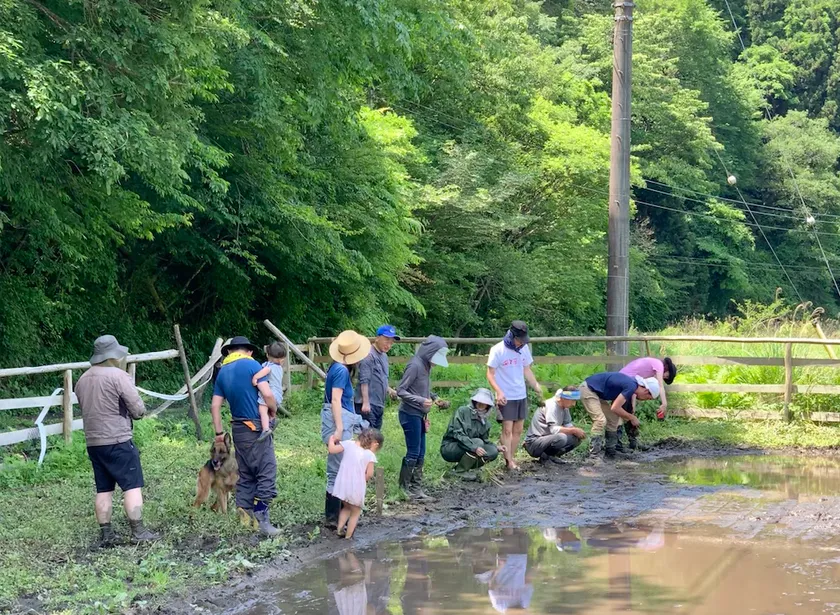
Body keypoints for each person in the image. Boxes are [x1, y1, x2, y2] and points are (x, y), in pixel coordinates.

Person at [75, 335, 160, 547]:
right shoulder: (118, 376)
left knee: (103, 489)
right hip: (119, 441)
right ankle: (138, 531)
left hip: (94, 443)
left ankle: (106, 534)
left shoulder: (82, 380)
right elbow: (138, 409)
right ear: (113, 355)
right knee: (132, 486)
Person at [211, 335, 280, 536]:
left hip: (238, 429)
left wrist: (218, 433)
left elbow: (215, 406)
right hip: (256, 427)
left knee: (247, 472)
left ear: (230, 352)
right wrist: (273, 408)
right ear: (248, 351)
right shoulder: (252, 366)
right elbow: (267, 394)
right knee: (267, 470)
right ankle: (262, 519)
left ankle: (244, 514)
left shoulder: (222, 372)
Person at [321, 330, 371, 528]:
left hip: (341, 417)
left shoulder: (336, 368)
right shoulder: (341, 371)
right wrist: (340, 427)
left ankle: (340, 512)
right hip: (338, 418)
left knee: (342, 464)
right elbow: (335, 399)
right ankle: (333, 516)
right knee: (337, 467)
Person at [397, 335, 450, 500]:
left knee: (421, 452)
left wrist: (435, 398)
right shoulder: (414, 365)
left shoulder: (426, 366)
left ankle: (416, 489)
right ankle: (404, 489)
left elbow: (422, 388)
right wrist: (421, 400)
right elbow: (401, 390)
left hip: (420, 414)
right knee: (413, 451)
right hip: (409, 413)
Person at [486, 320, 543, 470]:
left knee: (518, 429)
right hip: (506, 395)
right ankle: (508, 461)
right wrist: (499, 391)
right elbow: (490, 374)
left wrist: (536, 385)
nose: (521, 343)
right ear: (512, 336)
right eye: (519, 340)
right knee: (507, 429)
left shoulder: (523, 349)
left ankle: (511, 456)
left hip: (520, 393)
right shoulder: (498, 350)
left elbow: (527, 370)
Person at [580, 371, 660, 459]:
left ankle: (610, 452)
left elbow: (616, 407)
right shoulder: (631, 386)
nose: (645, 400)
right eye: (648, 398)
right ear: (646, 390)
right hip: (588, 389)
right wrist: (631, 418)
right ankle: (594, 456)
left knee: (613, 418)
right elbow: (615, 408)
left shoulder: (632, 384)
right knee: (600, 420)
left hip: (597, 393)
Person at [327, 428, 384, 539]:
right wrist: (363, 480)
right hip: (356, 487)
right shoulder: (369, 455)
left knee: (346, 508)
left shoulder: (349, 444)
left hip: (342, 484)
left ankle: (339, 530)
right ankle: (348, 537)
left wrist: (331, 439)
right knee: (355, 512)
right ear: (375, 444)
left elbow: (332, 449)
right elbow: (369, 474)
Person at [440, 388, 506, 480]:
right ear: (474, 401)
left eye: (484, 402)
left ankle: (464, 467)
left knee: (492, 451)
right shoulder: (462, 411)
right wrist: (474, 447)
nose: (481, 404)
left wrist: (496, 447)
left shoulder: (485, 423)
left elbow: (485, 441)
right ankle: (460, 472)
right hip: (450, 447)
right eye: (478, 401)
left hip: (470, 447)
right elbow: (457, 434)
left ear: (488, 406)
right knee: (478, 442)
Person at [616, 357, 677, 452]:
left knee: (630, 412)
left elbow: (636, 385)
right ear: (667, 369)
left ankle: (633, 442)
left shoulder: (649, 370)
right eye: (667, 376)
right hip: (622, 382)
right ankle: (617, 445)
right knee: (620, 414)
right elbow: (661, 386)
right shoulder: (659, 365)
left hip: (626, 382)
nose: (664, 378)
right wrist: (664, 403)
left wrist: (633, 404)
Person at [523, 386, 587, 464]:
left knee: (576, 438)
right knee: (561, 437)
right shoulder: (551, 405)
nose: (574, 404)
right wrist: (573, 430)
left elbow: (567, 424)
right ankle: (545, 458)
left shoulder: (565, 407)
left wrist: (577, 432)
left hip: (548, 439)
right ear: (564, 398)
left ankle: (552, 456)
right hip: (534, 442)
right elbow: (553, 430)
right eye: (572, 401)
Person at [354, 324, 400, 430]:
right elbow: (364, 380)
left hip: (379, 403)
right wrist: (365, 403)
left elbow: (381, 378)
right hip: (368, 404)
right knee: (368, 438)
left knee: (375, 438)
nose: (388, 344)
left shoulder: (384, 356)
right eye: (386, 340)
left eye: (391, 342)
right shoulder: (369, 355)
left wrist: (389, 390)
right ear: (378, 338)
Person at [251, 341, 287, 441]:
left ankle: (266, 429)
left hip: (271, 392)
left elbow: (265, 371)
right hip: (278, 394)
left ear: (267, 355)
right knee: (269, 410)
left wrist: (255, 378)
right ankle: (272, 420)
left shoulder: (270, 367)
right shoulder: (279, 367)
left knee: (262, 410)